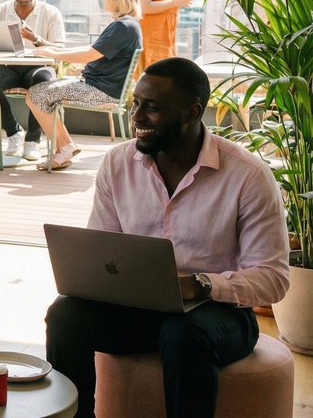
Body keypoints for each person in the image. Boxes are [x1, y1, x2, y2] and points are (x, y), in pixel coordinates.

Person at [44, 57, 288, 418]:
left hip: (219, 313)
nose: (136, 117)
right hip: (137, 308)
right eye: (135, 104)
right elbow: (102, 250)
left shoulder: (247, 176)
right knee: (65, 315)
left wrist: (200, 285)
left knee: (184, 332)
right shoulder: (117, 163)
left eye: (152, 108)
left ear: (192, 113)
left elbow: (273, 278)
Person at [25, 0, 144, 171]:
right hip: (100, 86)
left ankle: (65, 147)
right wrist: (49, 47)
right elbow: (91, 50)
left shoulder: (123, 27)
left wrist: (53, 53)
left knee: (35, 94)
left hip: (100, 91)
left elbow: (88, 54)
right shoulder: (128, 25)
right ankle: (64, 147)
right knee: (42, 93)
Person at [0, 0, 65, 162]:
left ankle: (32, 141)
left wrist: (36, 39)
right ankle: (13, 132)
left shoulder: (51, 13)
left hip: (38, 67)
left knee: (44, 81)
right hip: (7, 67)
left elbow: (60, 49)